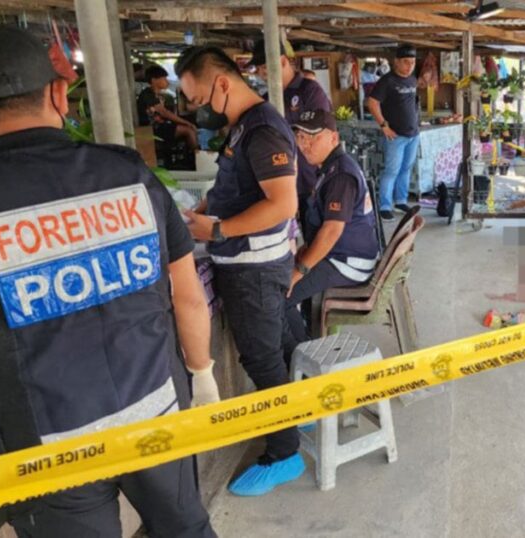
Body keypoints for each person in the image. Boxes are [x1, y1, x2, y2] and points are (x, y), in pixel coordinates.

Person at [0, 26, 217, 537]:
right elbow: (189, 298)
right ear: (57, 93)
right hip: (157, 410)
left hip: (46, 451)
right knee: (184, 528)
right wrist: (202, 374)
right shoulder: (129, 175)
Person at [175, 46, 305, 496]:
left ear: (222, 83)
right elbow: (235, 186)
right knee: (280, 345)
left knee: (261, 358)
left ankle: (285, 453)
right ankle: (301, 412)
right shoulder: (242, 127)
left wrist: (218, 229)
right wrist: (204, 209)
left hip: (255, 266)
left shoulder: (263, 130)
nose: (197, 110)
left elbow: (283, 204)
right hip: (250, 261)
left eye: (198, 100)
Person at [286, 109, 381, 340]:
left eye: (313, 137)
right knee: (288, 281)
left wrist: (300, 271)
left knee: (281, 296)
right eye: (301, 137)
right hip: (342, 256)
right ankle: (309, 339)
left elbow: (331, 231)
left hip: (348, 263)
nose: (305, 145)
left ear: (334, 138)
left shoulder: (340, 175)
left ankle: (302, 353)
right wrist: (306, 251)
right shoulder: (332, 167)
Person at [247, 39, 332, 214]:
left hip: (309, 177)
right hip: (278, 179)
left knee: (313, 224)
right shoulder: (266, 98)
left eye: (265, 68)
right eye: (259, 69)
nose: (262, 74)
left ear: (283, 62)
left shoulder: (309, 90)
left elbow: (320, 131)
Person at [367, 44, 419, 222]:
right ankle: (385, 206)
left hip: (413, 134)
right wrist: (384, 125)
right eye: (406, 62)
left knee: (406, 169)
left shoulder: (412, 79)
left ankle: (401, 201)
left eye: (412, 62)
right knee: (391, 171)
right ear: (396, 62)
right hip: (395, 135)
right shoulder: (387, 81)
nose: (410, 66)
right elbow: (372, 103)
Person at [137, 64, 199, 151]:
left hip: (161, 126)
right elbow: (164, 113)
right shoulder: (147, 94)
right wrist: (187, 123)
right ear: (154, 80)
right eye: (164, 78)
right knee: (188, 130)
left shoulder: (159, 96)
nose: (167, 82)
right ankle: (198, 155)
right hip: (151, 129)